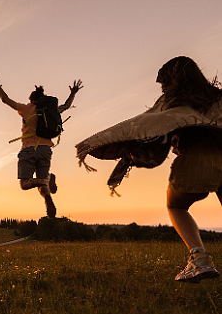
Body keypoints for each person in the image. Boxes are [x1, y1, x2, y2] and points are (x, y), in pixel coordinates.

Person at [77, 56, 222, 283]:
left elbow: (141, 125)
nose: (162, 88)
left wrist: (94, 142)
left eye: (164, 83)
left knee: (176, 205)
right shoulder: (217, 97)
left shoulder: (173, 102)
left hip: (199, 156)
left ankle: (200, 259)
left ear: (173, 80)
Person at [0, 76, 83, 218]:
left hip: (29, 149)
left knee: (25, 183)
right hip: (46, 150)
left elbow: (6, 100)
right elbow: (66, 106)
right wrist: (73, 93)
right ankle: (48, 194)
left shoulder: (26, 108)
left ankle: (46, 179)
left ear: (31, 100)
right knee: (42, 185)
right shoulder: (51, 110)